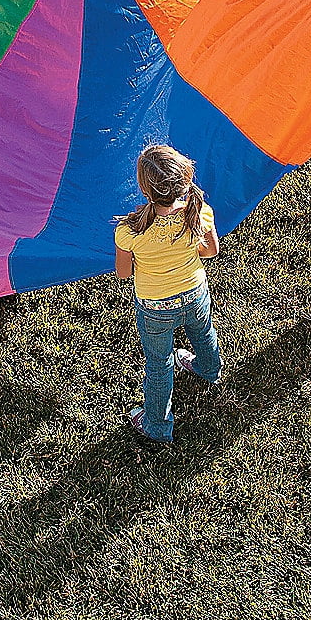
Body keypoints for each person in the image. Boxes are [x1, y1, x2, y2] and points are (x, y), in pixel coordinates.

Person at [115, 144, 223, 442]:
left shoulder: (129, 230)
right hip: (194, 292)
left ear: (144, 189)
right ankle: (209, 369)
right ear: (184, 180)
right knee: (203, 333)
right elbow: (210, 251)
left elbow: (124, 272)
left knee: (159, 364)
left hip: (155, 307)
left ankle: (157, 426)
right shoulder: (200, 212)